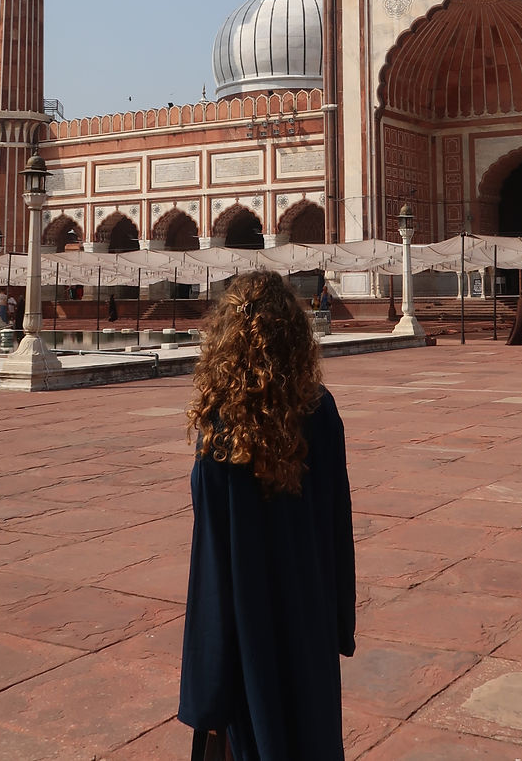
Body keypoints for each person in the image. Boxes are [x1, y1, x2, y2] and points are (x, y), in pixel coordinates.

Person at [179, 271, 356, 761]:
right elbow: (338, 526)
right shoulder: (320, 411)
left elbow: (211, 560)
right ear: (294, 334)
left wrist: (206, 684)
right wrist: (339, 623)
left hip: (248, 627)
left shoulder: (220, 427)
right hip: (309, 612)